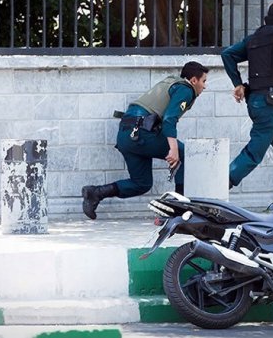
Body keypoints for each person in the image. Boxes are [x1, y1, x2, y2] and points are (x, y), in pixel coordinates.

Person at [81, 61, 208, 220]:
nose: (205, 86)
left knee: (142, 183)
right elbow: (169, 119)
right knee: (184, 153)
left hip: (126, 135)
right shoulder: (185, 89)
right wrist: (173, 149)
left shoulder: (170, 82)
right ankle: (179, 209)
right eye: (204, 81)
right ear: (194, 80)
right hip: (142, 133)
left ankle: (96, 193)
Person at [220, 1, 273, 194]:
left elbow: (227, 54)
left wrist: (237, 83)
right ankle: (223, 181)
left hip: (256, 101)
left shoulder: (254, 38)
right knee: (255, 151)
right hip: (268, 103)